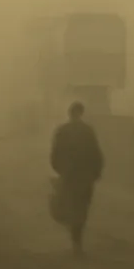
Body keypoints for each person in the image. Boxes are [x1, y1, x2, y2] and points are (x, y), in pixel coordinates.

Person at [50, 101, 104, 254]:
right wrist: (96, 173)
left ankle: (75, 238)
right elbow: (97, 154)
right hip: (85, 177)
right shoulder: (88, 131)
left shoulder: (62, 131)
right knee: (82, 207)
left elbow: (54, 155)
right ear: (81, 113)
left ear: (69, 113)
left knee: (72, 205)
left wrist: (61, 171)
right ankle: (77, 237)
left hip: (69, 176)